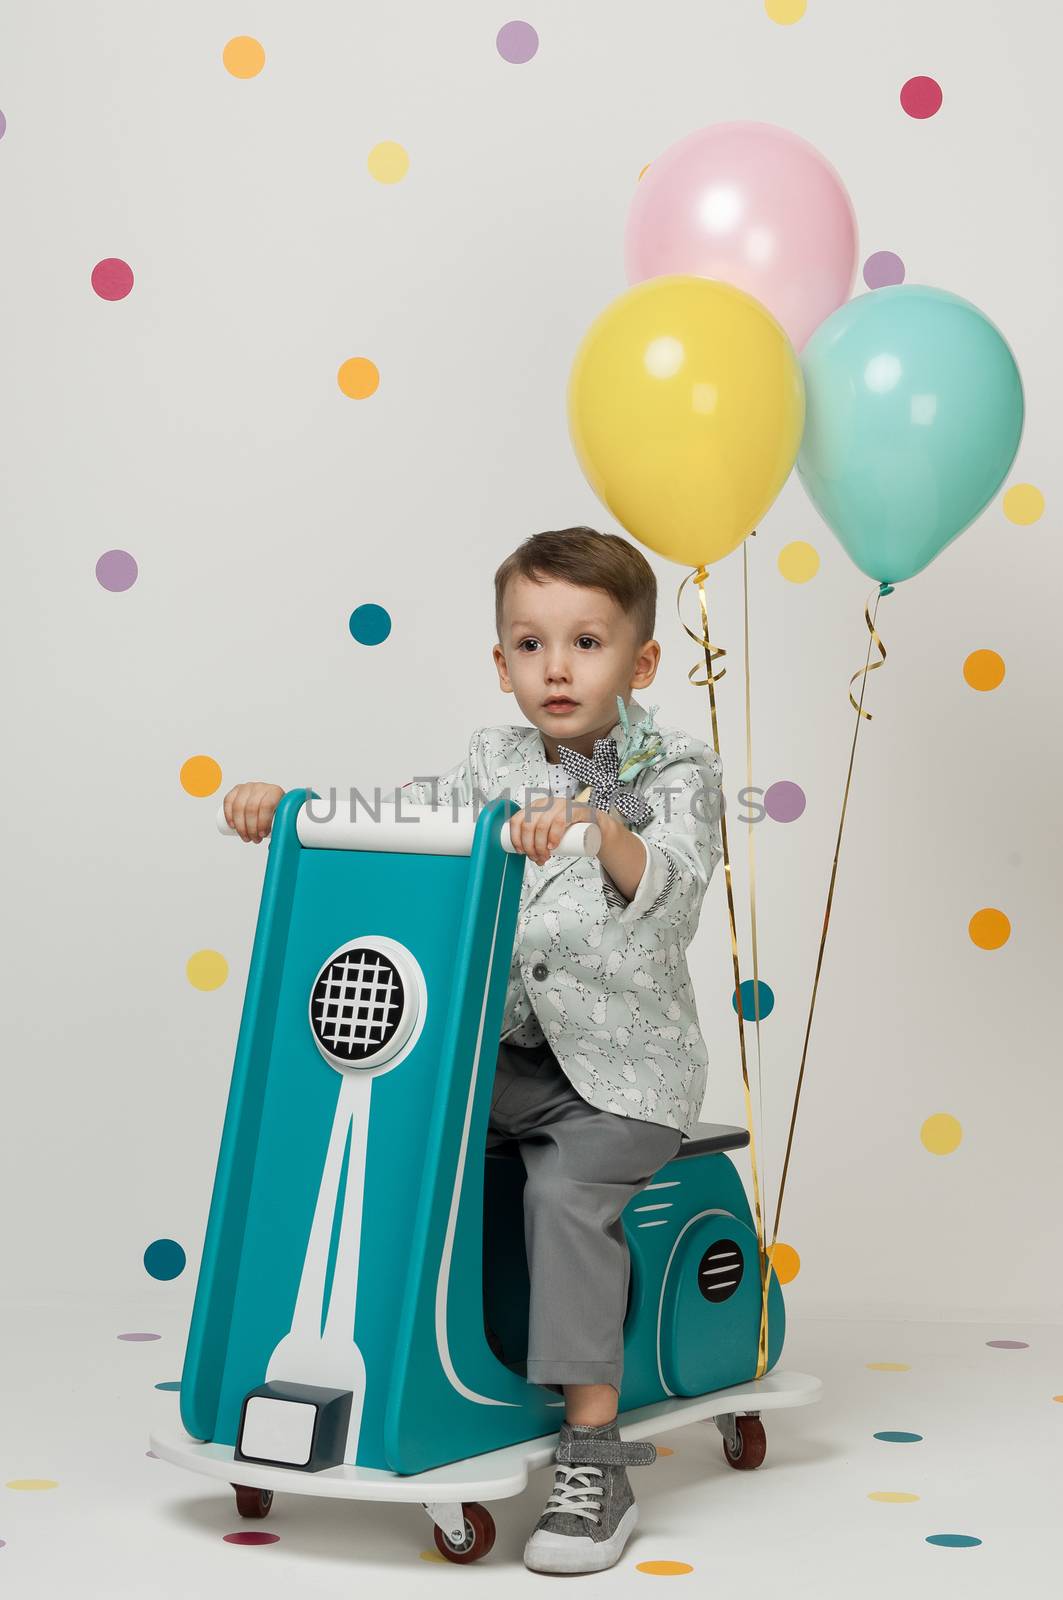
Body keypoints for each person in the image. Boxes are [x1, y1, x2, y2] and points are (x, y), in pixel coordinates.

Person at [222, 526, 724, 1575]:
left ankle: (593, 1451)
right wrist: (297, 810)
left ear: (638, 664)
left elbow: (667, 885)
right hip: (503, 1056)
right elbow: (408, 819)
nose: (556, 667)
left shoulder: (668, 768)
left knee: (563, 1198)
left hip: (620, 1081)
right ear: (501, 662)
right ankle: (363, 1364)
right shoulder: (492, 760)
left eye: (585, 642)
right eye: (531, 644)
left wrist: (597, 823)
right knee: (379, 1121)